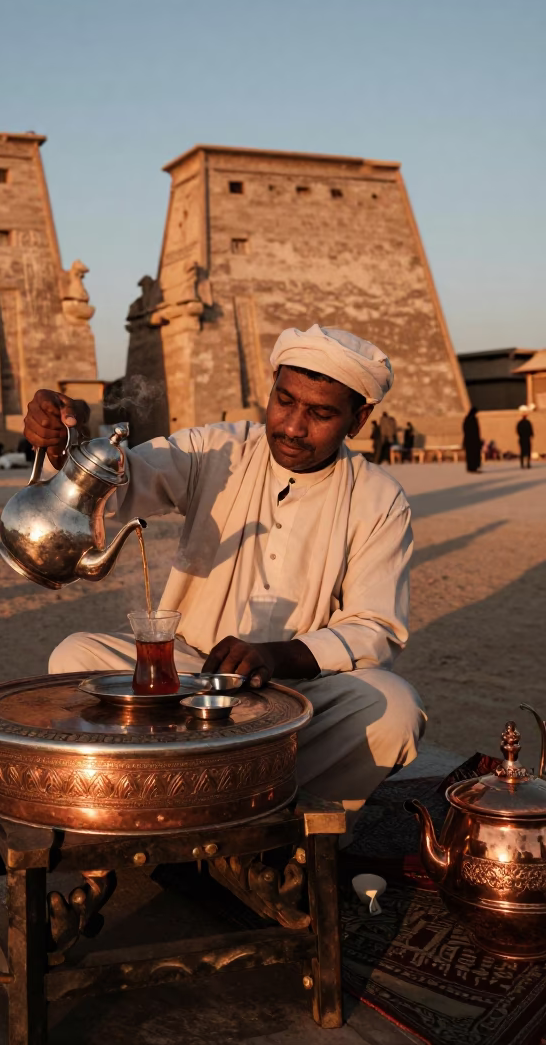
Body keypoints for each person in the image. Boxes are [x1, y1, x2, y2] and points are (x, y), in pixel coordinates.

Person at [24, 324, 426, 829]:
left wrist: (275, 655)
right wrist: (70, 448)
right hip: (185, 676)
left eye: (320, 413)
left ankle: (281, 823)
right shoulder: (216, 449)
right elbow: (124, 484)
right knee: (75, 657)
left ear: (359, 419)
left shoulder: (378, 498)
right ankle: (176, 803)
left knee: (393, 708)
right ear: (272, 389)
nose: (293, 427)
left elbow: (375, 628)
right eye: (284, 401)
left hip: (296, 694)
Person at [463, 406, 482, 474]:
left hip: (470, 440)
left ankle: (472, 467)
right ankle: (472, 467)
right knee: (472, 455)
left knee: (472, 455)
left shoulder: (468, 419)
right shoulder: (472, 419)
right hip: (472, 440)